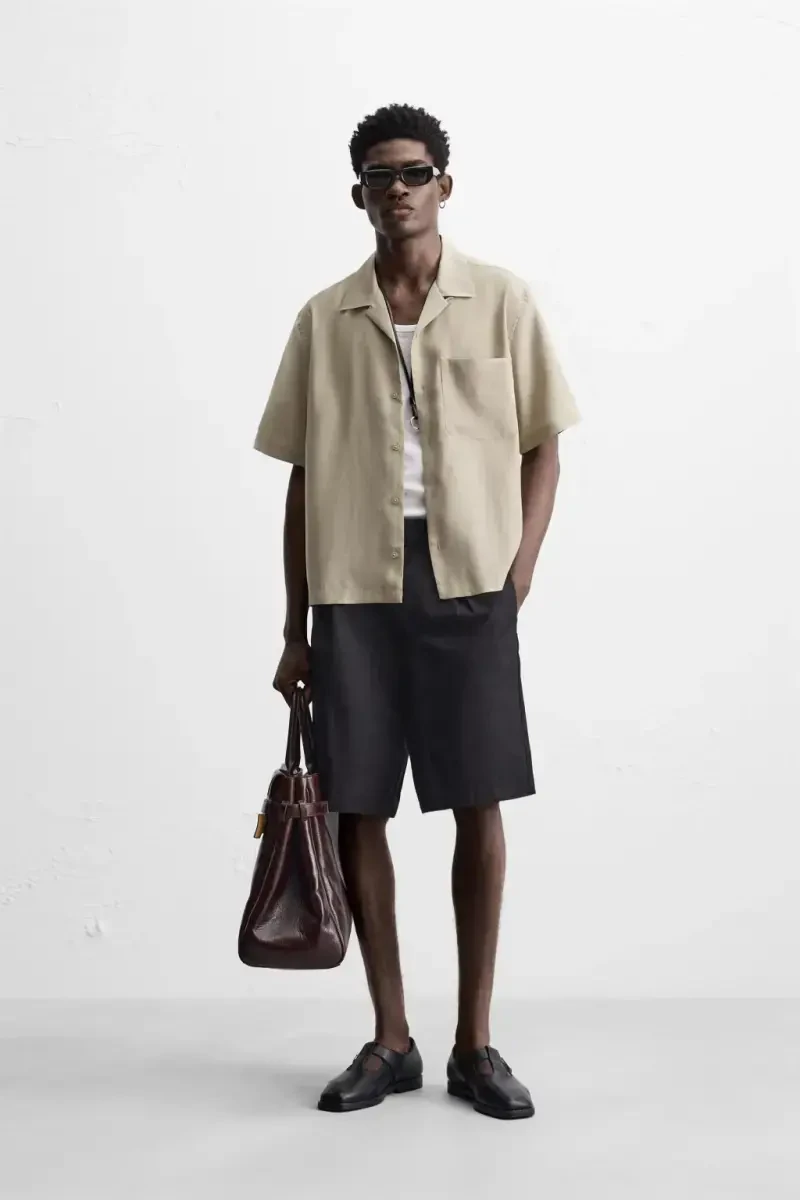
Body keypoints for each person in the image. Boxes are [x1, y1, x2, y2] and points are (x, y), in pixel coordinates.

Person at [253, 103, 580, 1120]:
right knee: (358, 804)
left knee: (477, 797)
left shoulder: (502, 301)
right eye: (378, 176)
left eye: (413, 171)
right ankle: (390, 1039)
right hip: (353, 584)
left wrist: (518, 572)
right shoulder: (323, 318)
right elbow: (301, 478)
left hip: (469, 581)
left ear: (445, 183)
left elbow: (543, 445)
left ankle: (474, 1044)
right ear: (357, 194)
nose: (396, 189)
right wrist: (294, 628)